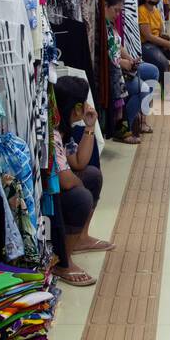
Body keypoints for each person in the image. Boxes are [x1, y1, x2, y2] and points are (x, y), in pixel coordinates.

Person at [50, 76, 113, 287]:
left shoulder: (63, 129)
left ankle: (81, 238)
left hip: (59, 184)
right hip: (48, 196)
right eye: (84, 103)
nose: (88, 106)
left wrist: (89, 127)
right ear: (75, 106)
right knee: (81, 196)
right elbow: (65, 180)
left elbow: (79, 162)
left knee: (92, 175)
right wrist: (78, 184)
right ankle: (63, 262)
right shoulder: (51, 132)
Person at [103, 0, 158, 143]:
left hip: (123, 66)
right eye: (116, 10)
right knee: (144, 89)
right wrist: (122, 63)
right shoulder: (101, 28)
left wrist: (130, 59)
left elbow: (118, 46)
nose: (118, 15)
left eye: (120, 11)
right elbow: (106, 57)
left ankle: (136, 116)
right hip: (114, 72)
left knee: (153, 71)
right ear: (105, 6)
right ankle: (123, 127)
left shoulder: (110, 25)